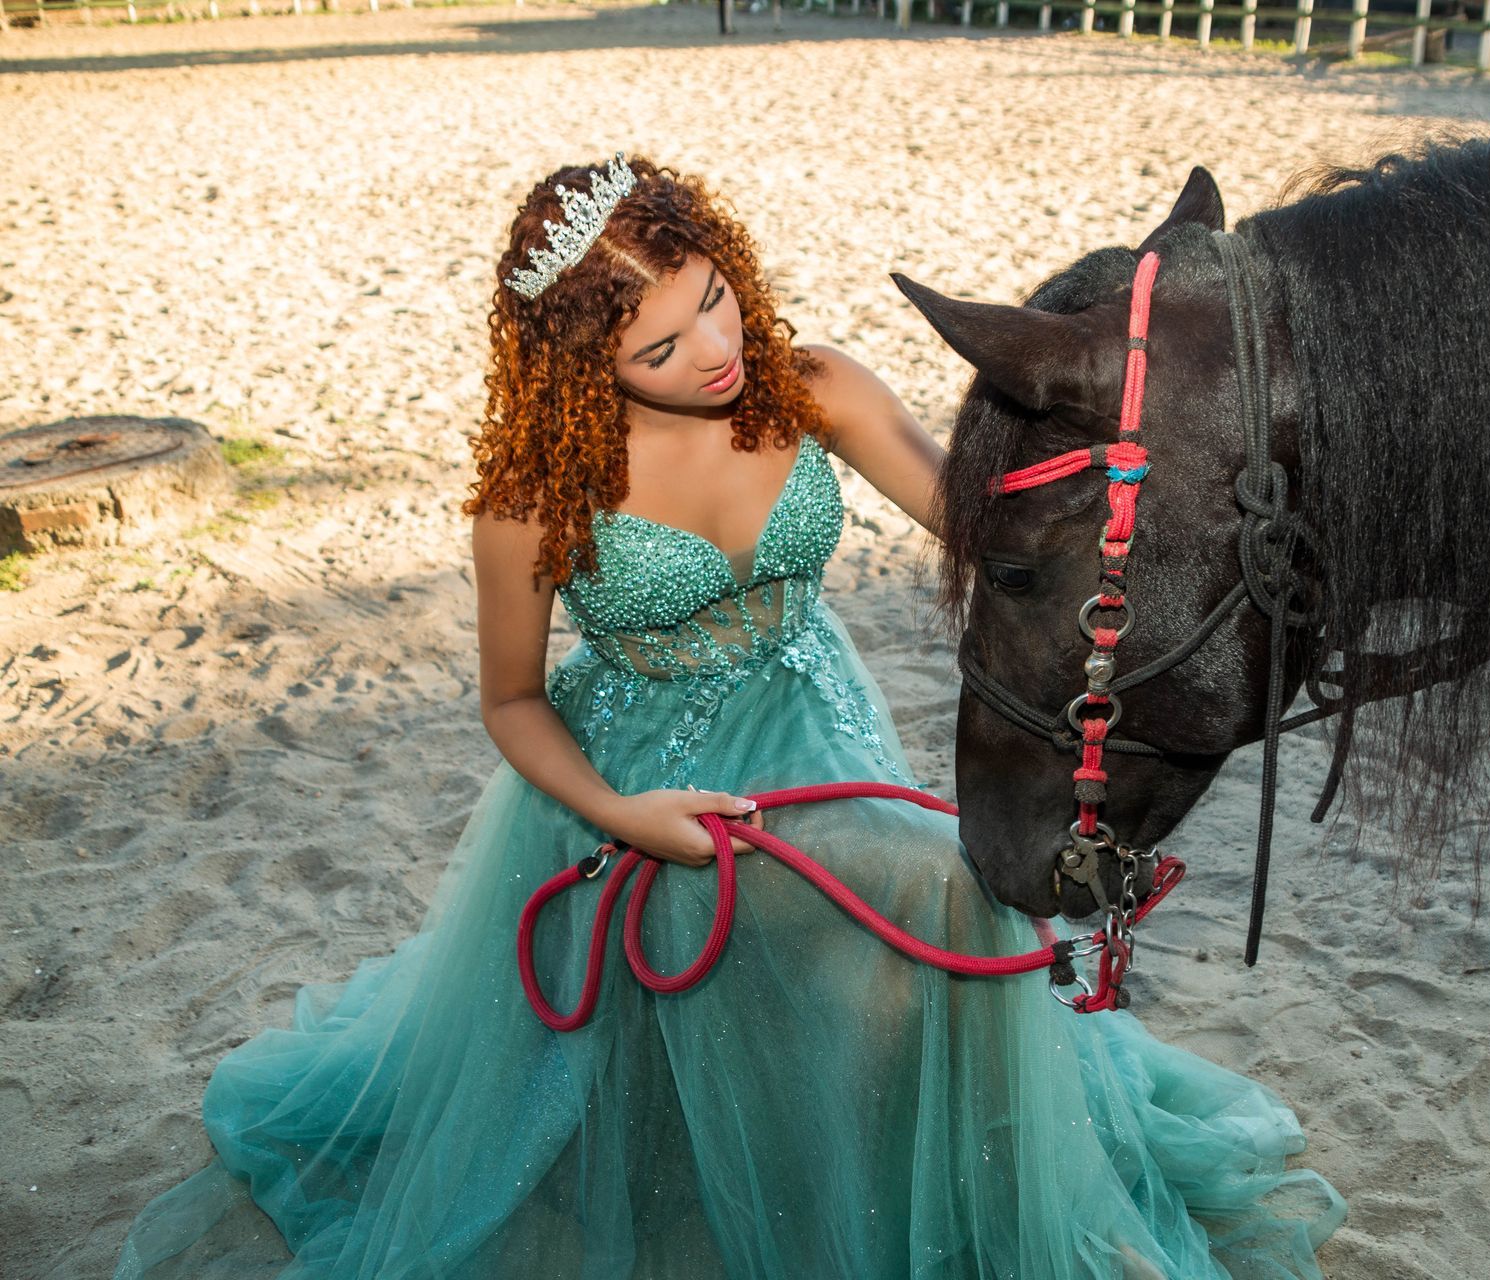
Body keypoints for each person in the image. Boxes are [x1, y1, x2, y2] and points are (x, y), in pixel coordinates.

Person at [112, 152, 1345, 1279]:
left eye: (713, 294)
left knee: (942, 896)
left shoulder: (812, 392)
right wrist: (621, 813)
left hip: (811, 720)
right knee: (755, 951)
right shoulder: (535, 499)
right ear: (585, 366)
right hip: (638, 770)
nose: (713, 347)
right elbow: (510, 699)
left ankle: (965, 1182)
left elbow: (985, 531)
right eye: (659, 347)